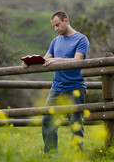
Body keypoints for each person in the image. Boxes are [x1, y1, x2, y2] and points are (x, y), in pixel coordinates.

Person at [22, 11, 89, 153]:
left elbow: (78, 60)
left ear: (66, 20)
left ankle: (76, 156)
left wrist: (56, 59)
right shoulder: (55, 41)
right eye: (54, 26)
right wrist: (30, 63)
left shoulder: (81, 39)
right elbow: (45, 60)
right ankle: (51, 155)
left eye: (58, 25)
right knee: (47, 121)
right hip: (57, 88)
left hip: (75, 87)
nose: (56, 29)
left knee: (75, 123)